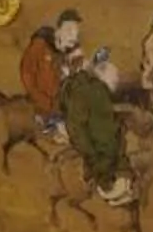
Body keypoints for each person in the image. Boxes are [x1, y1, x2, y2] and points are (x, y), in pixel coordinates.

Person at [57, 49, 137, 204]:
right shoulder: (91, 92)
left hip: (101, 142)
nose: (114, 85)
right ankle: (110, 188)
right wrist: (93, 154)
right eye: (113, 82)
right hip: (98, 149)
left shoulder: (90, 90)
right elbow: (80, 130)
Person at [20, 9, 82, 130]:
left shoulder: (72, 53)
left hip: (63, 111)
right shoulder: (40, 46)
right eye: (69, 30)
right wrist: (43, 102)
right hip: (42, 110)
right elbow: (26, 74)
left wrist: (75, 64)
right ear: (58, 30)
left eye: (76, 32)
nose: (73, 36)